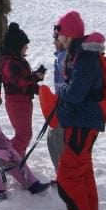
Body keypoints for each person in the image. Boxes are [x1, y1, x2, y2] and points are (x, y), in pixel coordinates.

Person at [55, 11, 106, 210]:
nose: (58, 38)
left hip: (82, 123)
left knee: (68, 175)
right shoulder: (78, 53)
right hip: (80, 122)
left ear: (69, 34)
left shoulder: (85, 58)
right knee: (82, 170)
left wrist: (60, 89)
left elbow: (75, 94)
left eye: (61, 33)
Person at [1, 23, 45, 157]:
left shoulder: (19, 61)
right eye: (24, 45)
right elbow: (19, 81)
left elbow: (26, 82)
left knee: (25, 134)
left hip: (24, 102)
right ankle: (9, 157)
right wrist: (35, 77)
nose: (27, 47)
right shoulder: (8, 63)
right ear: (16, 47)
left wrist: (41, 90)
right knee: (24, 135)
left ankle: (18, 157)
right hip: (16, 103)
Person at [46, 29, 67, 173]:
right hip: (60, 103)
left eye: (56, 39)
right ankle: (62, 173)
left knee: (56, 138)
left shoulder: (66, 58)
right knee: (53, 137)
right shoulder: (60, 57)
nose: (54, 42)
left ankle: (64, 175)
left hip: (66, 105)